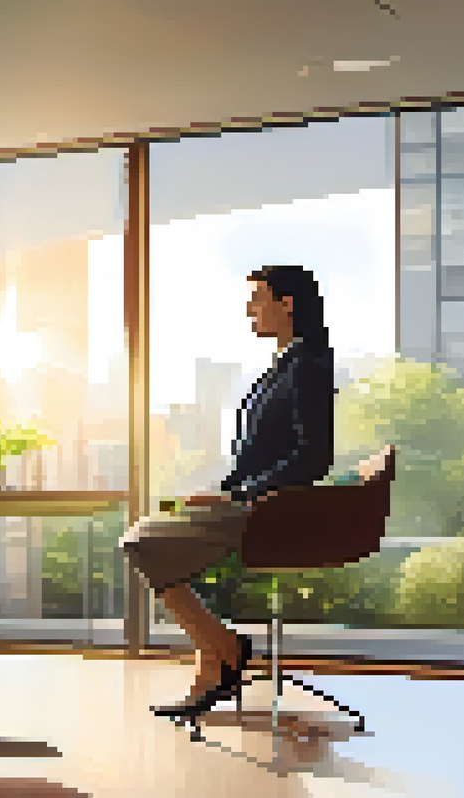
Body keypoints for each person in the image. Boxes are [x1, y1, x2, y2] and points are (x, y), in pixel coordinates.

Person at [120, 264, 336, 720]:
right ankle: (215, 657)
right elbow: (266, 452)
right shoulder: (289, 362)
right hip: (248, 500)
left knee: (142, 541)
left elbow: (313, 458)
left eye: (258, 298)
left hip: (268, 511)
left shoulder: (310, 366)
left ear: (287, 303)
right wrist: (221, 491)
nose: (249, 309)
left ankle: (222, 649)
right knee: (149, 527)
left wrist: (237, 497)